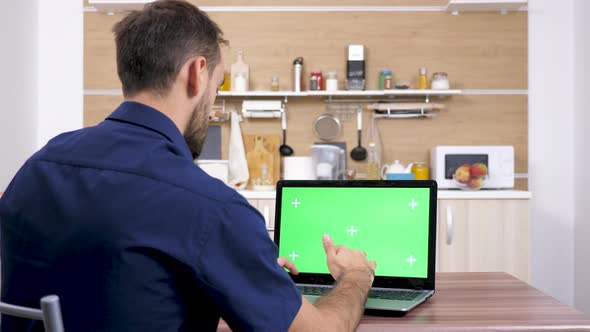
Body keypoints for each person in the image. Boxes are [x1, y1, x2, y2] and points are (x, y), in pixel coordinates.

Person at [0, 1, 376, 331]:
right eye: (218, 83)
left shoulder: (37, 166)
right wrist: (356, 276)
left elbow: (100, 272)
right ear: (197, 73)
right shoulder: (212, 208)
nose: (213, 102)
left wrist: (237, 265)